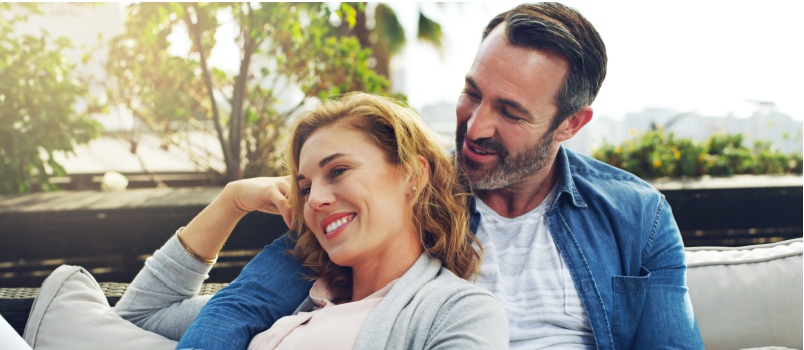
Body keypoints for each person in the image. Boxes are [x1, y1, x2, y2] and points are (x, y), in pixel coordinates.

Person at [176, 2, 704, 349]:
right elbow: (240, 307)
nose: (475, 127)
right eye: (472, 93)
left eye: (511, 112)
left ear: (570, 123)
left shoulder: (638, 216)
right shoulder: (398, 189)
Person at [114, 93, 508, 349]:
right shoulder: (295, 299)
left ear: (413, 175)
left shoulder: (461, 311)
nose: (315, 199)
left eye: (337, 171)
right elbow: (142, 315)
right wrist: (231, 201)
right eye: (304, 186)